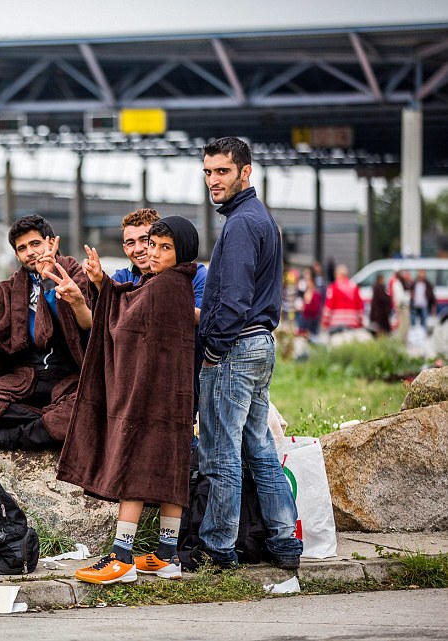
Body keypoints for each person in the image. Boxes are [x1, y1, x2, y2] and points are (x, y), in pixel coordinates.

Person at [61, 216, 199, 584]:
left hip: (150, 395)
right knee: (171, 468)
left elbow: (123, 321)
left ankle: (121, 557)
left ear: (181, 251)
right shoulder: (178, 283)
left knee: (134, 466)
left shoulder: (163, 285)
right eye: (151, 245)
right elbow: (127, 305)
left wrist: (102, 285)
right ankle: (167, 555)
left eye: (163, 247)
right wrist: (102, 283)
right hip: (175, 394)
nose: (152, 253)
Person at [196, 136, 302, 571]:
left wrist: (213, 352)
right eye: (208, 172)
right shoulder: (261, 218)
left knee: (221, 451)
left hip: (236, 347)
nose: (213, 180)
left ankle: (219, 547)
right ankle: (284, 540)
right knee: (258, 445)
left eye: (222, 171)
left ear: (246, 171)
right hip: (261, 344)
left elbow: (235, 297)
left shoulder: (240, 224)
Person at [0, 215, 91, 457]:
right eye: (22, 248)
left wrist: (50, 283)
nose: (30, 252)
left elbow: (85, 324)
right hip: (28, 377)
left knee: (88, 406)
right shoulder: (12, 287)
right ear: (17, 256)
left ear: (51, 243)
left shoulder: (74, 272)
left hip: (70, 375)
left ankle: (12, 435)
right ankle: (48, 424)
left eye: (35, 244)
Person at [84, 208, 207, 421]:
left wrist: (159, 301)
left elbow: (204, 318)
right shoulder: (121, 278)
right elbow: (108, 318)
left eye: (146, 240)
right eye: (131, 243)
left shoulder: (194, 275)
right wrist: (97, 282)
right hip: (135, 379)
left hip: (184, 376)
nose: (141, 249)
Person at [320, 264, 364, 333]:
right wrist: (360, 323)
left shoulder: (333, 287)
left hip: (336, 325)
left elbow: (328, 307)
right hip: (352, 324)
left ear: (337, 274)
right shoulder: (355, 287)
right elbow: (360, 308)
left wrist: (324, 323)